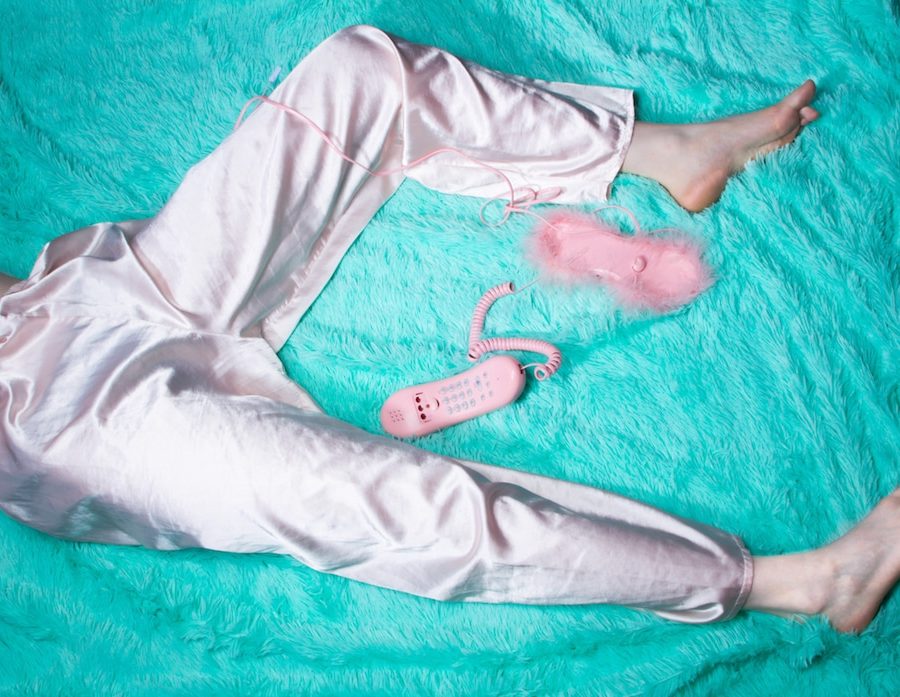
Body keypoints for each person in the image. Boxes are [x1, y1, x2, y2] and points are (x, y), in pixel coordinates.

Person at [0, 25, 896, 633]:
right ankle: (796, 584)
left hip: (76, 297)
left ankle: (664, 151)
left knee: (358, 72)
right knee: (396, 508)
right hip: (60, 427)